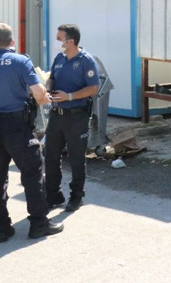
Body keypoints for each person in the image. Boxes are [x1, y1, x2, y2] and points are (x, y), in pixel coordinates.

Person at [0, 23, 64, 240]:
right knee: (33, 172)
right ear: (12, 41)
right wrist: (44, 98)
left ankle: (2, 228)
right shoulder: (20, 61)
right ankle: (39, 224)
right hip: (16, 126)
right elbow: (38, 92)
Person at [45, 24, 99, 212]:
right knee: (51, 156)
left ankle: (76, 196)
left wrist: (69, 96)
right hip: (56, 115)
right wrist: (47, 89)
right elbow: (52, 78)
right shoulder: (59, 58)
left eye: (59, 38)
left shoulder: (86, 61)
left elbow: (93, 88)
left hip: (76, 116)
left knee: (76, 159)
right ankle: (52, 194)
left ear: (70, 41)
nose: (56, 42)